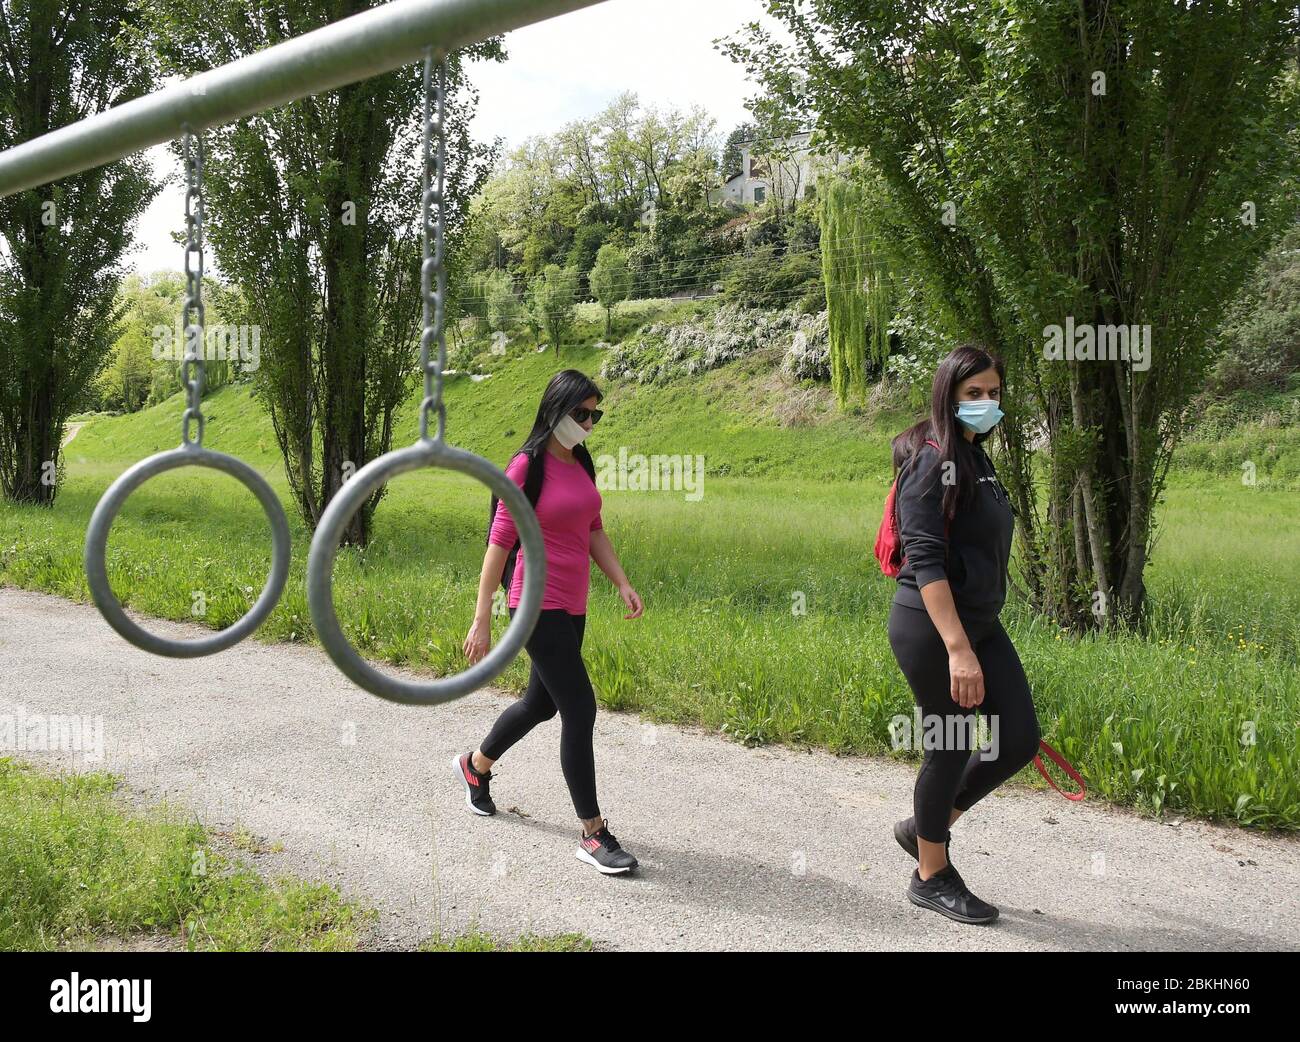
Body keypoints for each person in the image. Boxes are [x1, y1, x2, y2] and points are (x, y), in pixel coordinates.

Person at [455, 369, 645, 875]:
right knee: (580, 708)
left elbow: (594, 529)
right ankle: (593, 833)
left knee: (541, 703)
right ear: (555, 409)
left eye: (594, 415)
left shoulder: (582, 462)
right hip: (534, 605)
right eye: (580, 413)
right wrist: (483, 617)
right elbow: (498, 544)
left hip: (573, 604)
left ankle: (475, 767)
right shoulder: (525, 466)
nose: (588, 424)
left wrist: (621, 581)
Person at [887, 343, 1042, 924]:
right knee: (949, 743)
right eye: (973, 393)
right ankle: (931, 874)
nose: (985, 402)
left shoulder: (978, 458)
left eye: (994, 393)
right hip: (932, 626)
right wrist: (957, 649)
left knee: (1018, 737)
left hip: (980, 622)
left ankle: (926, 827)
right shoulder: (933, 460)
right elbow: (924, 560)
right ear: (949, 396)